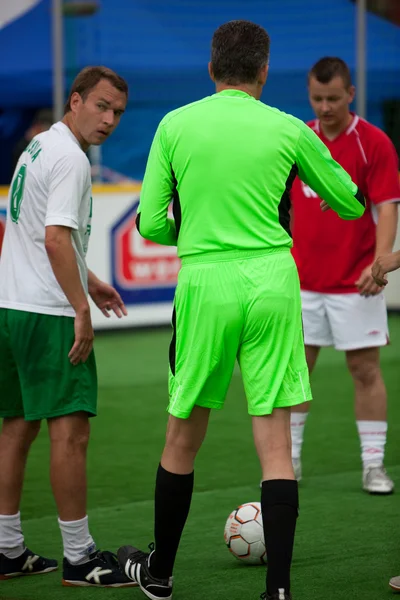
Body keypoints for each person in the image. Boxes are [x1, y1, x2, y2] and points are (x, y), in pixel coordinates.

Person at [116, 21, 365, 600]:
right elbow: (350, 202)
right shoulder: (287, 129)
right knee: (275, 440)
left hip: (206, 282)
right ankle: (278, 590)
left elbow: (151, 223)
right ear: (264, 70)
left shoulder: (175, 125)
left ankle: (161, 575)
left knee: (182, 434)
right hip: (275, 282)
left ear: (211, 68)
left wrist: (198, 229)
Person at [0, 66, 135, 588]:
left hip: (11, 306)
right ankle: (79, 557)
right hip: (48, 312)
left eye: (118, 112)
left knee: (16, 429)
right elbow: (56, 239)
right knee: (71, 433)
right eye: (101, 106)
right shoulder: (71, 159)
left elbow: (35, 231)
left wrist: (91, 279)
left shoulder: (36, 148)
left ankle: (8, 549)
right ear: (75, 100)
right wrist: (81, 306)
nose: (109, 119)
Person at [290, 57, 400, 494]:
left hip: (357, 282)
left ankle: (373, 466)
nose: (325, 106)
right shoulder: (298, 138)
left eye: (333, 98)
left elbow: (387, 206)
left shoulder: (373, 143)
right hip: (298, 283)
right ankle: (289, 464)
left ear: (350, 94)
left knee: (365, 371)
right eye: (317, 98)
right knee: (294, 372)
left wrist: (380, 261)